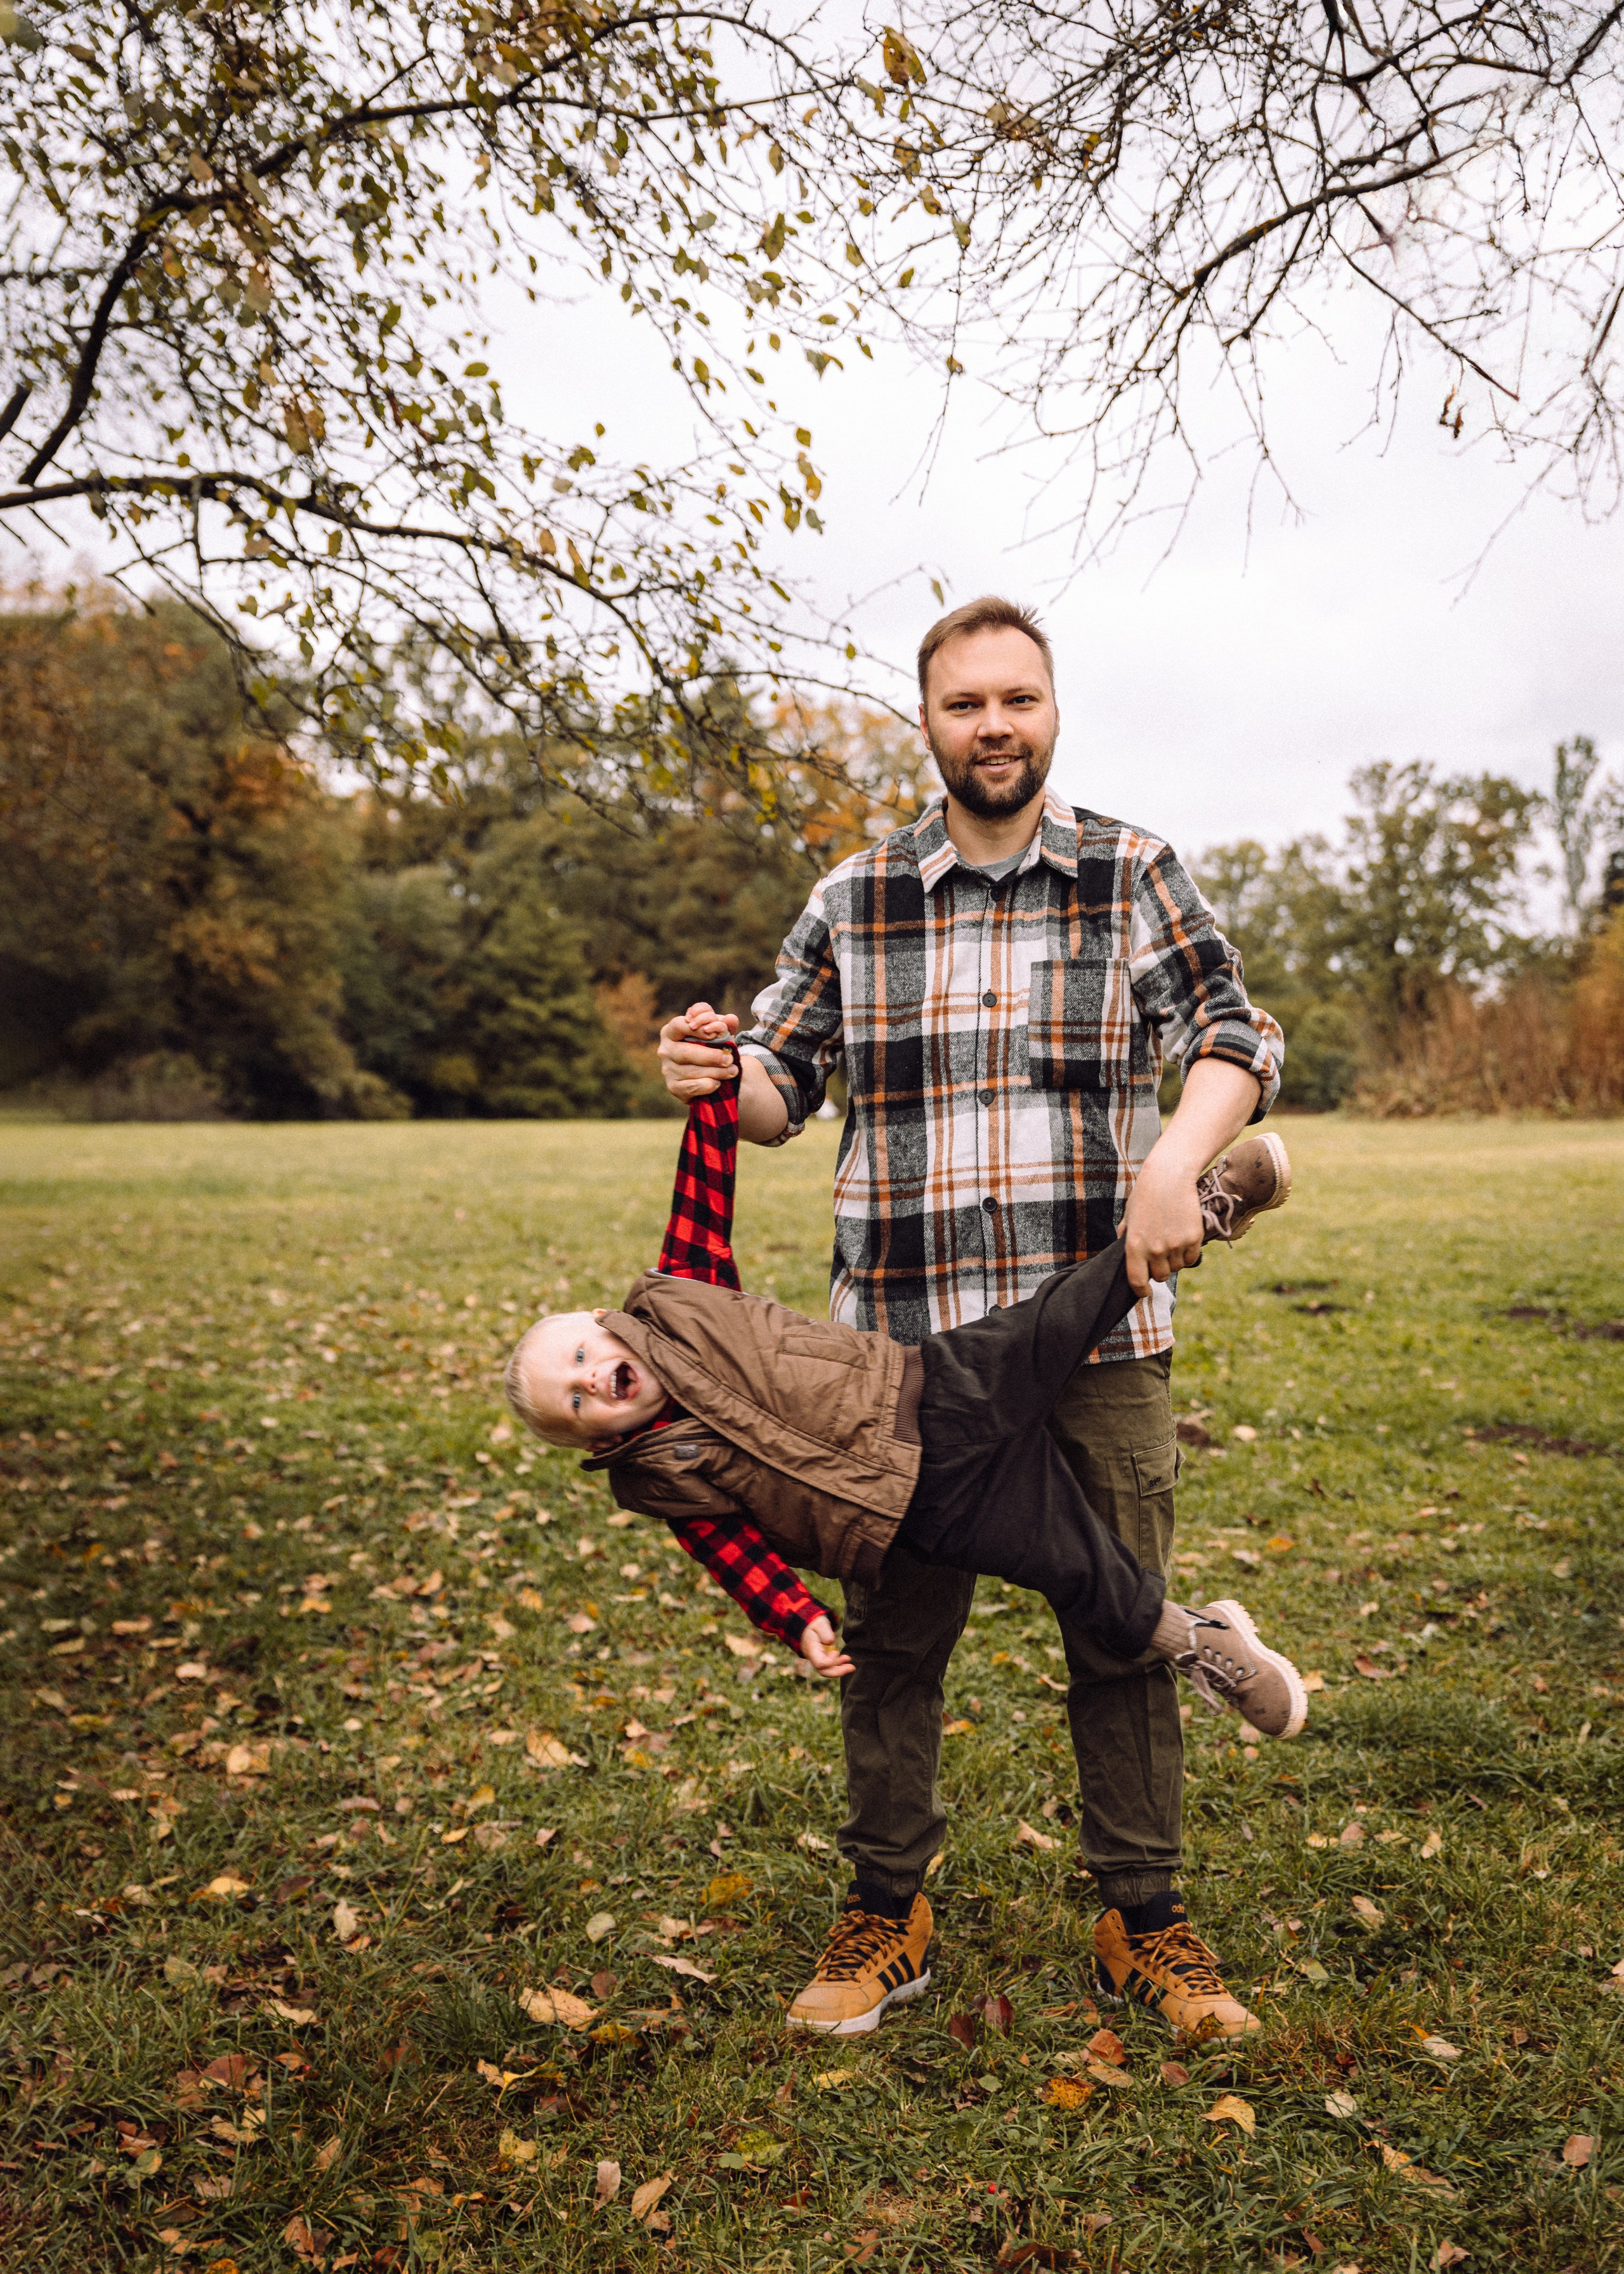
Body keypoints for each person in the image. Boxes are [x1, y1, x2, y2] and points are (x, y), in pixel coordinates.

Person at [656, 596, 1288, 2042]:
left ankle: (1145, 1922)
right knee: (892, 1641)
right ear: (925, 720)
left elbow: (1229, 1036)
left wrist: (1176, 1160)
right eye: (963, 705)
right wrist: (714, 1070)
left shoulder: (1128, 870)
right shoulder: (854, 896)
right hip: (893, 1356)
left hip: (1097, 1329)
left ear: (1049, 709)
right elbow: (776, 1088)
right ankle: (887, 1908)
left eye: (1016, 700)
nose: (992, 726)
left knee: (1118, 1620)